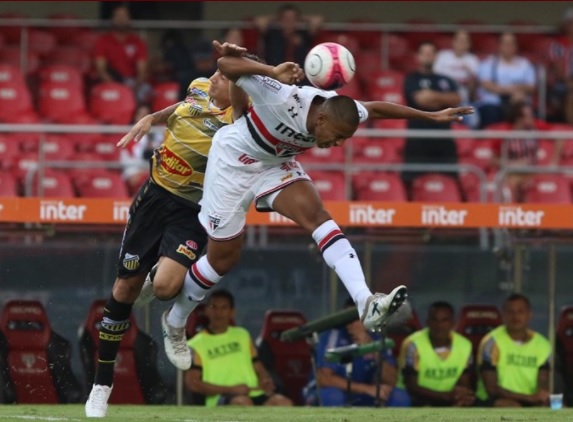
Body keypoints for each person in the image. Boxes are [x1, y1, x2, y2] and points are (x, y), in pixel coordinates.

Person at [159, 41, 474, 372]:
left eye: (343, 140)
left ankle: (366, 302)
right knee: (224, 258)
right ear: (321, 116)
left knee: (319, 218)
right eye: (335, 136)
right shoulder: (281, 95)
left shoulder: (339, 111)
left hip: (275, 163)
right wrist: (270, 71)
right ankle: (176, 321)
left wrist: (430, 115)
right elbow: (226, 64)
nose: (336, 144)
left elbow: (376, 108)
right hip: (234, 160)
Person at [84, 44, 254, 418]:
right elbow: (179, 110)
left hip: (190, 210)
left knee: (165, 288)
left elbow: (243, 94)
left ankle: (170, 317)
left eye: (223, 77)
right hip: (153, 198)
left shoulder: (238, 118)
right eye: (215, 73)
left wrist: (250, 72)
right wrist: (152, 119)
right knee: (123, 290)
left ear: (239, 87)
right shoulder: (197, 87)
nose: (213, 78)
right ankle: (102, 384)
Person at [185, 289, 293, 407]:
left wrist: (265, 379)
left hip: (254, 393)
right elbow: (193, 383)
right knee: (243, 403)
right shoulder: (196, 344)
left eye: (224, 308)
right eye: (214, 307)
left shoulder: (242, 335)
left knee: (283, 402)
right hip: (221, 397)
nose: (218, 312)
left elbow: (256, 364)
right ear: (206, 311)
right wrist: (230, 389)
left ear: (232, 312)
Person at [304, 299, 410, 407]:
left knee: (399, 397)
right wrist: (367, 389)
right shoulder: (332, 335)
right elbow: (324, 379)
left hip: (364, 393)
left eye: (358, 318)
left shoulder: (377, 337)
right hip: (332, 391)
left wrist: (372, 349)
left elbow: (391, 380)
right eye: (348, 319)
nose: (353, 324)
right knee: (333, 397)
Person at [475, 293, 551, 407]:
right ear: (503, 315)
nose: (515, 316)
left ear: (529, 315)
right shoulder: (491, 342)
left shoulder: (543, 344)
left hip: (530, 401)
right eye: (511, 312)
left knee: (558, 409)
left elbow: (543, 387)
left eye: (520, 311)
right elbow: (492, 390)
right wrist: (529, 398)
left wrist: (541, 398)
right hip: (495, 401)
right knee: (512, 407)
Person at [402, 41, 461, 184]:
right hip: (418, 138)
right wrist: (443, 100)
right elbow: (421, 100)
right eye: (425, 53)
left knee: (451, 180)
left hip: (443, 138)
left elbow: (456, 100)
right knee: (412, 181)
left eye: (431, 53)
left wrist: (432, 96)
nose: (428, 56)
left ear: (436, 56)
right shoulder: (411, 79)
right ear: (418, 56)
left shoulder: (446, 80)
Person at [398, 301, 474, 407]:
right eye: (435, 320)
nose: (439, 325)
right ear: (427, 322)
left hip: (449, 399)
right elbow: (411, 385)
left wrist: (461, 396)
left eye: (444, 320)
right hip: (418, 399)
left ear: (453, 323)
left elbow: (464, 383)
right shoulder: (413, 344)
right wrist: (445, 396)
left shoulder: (465, 345)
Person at [488, 100, 561, 202]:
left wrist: (554, 161)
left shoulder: (535, 126)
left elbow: (560, 137)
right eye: (528, 116)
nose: (532, 118)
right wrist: (512, 164)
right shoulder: (505, 133)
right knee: (511, 183)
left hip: (532, 170)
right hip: (511, 171)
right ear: (519, 118)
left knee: (537, 181)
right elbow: (492, 160)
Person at [93, 4, 152, 104]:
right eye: (118, 16)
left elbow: (142, 71)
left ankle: (138, 117)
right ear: (112, 19)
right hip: (111, 81)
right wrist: (116, 87)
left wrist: (134, 87)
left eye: (124, 16)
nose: (121, 19)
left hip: (133, 83)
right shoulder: (103, 41)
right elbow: (101, 70)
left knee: (146, 90)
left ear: (129, 19)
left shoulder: (137, 42)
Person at [476, 32, 536, 128]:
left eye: (511, 43)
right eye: (506, 44)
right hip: (494, 103)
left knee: (525, 111)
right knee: (489, 111)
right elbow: (486, 84)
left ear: (516, 46)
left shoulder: (524, 64)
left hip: (518, 102)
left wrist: (516, 92)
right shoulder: (489, 62)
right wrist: (513, 91)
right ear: (500, 46)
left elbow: (531, 87)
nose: (509, 47)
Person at [254, 4, 323, 66]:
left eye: (293, 18)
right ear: (280, 19)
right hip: (274, 74)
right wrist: (277, 19)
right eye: (285, 18)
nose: (289, 21)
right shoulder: (273, 33)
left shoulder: (303, 34)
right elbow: (260, 20)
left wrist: (301, 19)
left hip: (299, 75)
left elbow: (317, 19)